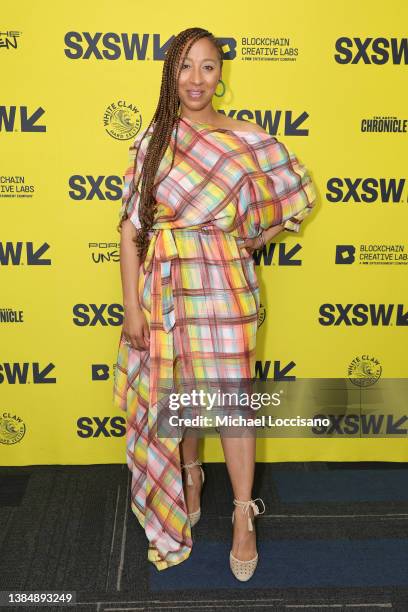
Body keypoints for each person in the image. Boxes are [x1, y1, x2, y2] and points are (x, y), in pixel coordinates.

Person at [113, 26, 317, 581]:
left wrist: (252, 235)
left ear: (221, 74)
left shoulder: (246, 139)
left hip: (226, 283)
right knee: (177, 391)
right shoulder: (153, 138)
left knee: (230, 400)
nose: (196, 79)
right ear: (169, 74)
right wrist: (132, 307)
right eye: (185, 66)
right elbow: (131, 231)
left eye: (207, 66)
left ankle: (243, 516)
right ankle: (191, 472)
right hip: (164, 285)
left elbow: (294, 194)